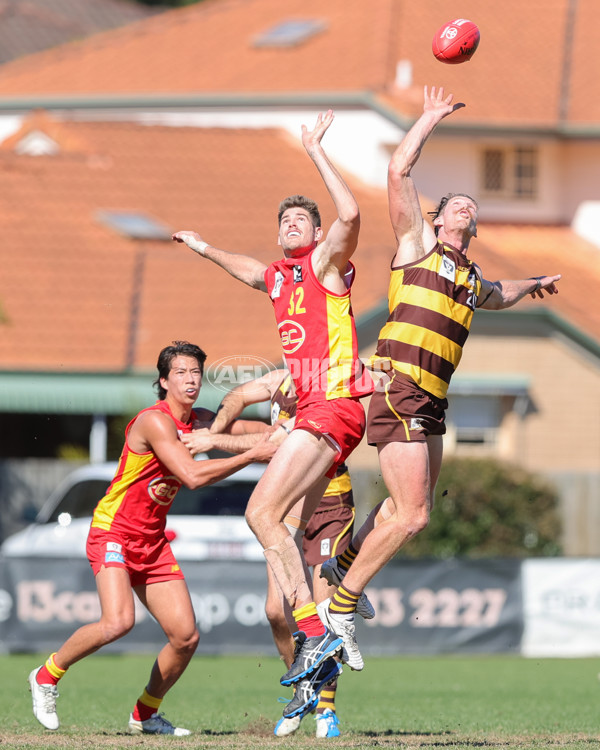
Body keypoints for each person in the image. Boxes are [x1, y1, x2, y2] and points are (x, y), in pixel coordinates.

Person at [318, 85, 562, 665]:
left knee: (405, 507)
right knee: (415, 514)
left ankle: (342, 563)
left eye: (472, 208)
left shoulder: (471, 276)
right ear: (435, 217)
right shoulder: (417, 244)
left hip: (432, 398)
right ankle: (343, 606)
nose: (466, 209)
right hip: (400, 384)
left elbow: (497, 296)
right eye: (457, 204)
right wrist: (428, 118)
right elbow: (398, 169)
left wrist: (532, 284)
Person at [172, 110, 373, 718]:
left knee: (260, 511)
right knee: (281, 524)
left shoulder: (322, 267)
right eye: (283, 220)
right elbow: (247, 270)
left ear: (314, 233)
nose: (289, 225)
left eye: (300, 220)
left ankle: (317, 632)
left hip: (332, 407)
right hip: (320, 414)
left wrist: (314, 149)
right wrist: (203, 247)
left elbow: (352, 216)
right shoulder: (281, 278)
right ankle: (334, 601)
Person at [28, 341, 274, 735]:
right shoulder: (154, 421)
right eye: (181, 372)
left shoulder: (201, 422)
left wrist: (292, 427)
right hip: (114, 531)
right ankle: (46, 675)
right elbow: (192, 476)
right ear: (163, 381)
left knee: (185, 637)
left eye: (195, 372)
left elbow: (252, 430)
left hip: (152, 540)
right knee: (118, 622)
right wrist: (250, 455)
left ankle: (145, 714)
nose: (191, 379)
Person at [181, 368, 373, 737]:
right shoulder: (281, 378)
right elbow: (236, 398)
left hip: (329, 504)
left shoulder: (323, 384)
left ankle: (326, 711)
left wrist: (212, 439)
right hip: (285, 506)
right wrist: (217, 426)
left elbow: (274, 441)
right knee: (275, 611)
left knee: (321, 610)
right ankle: (307, 687)